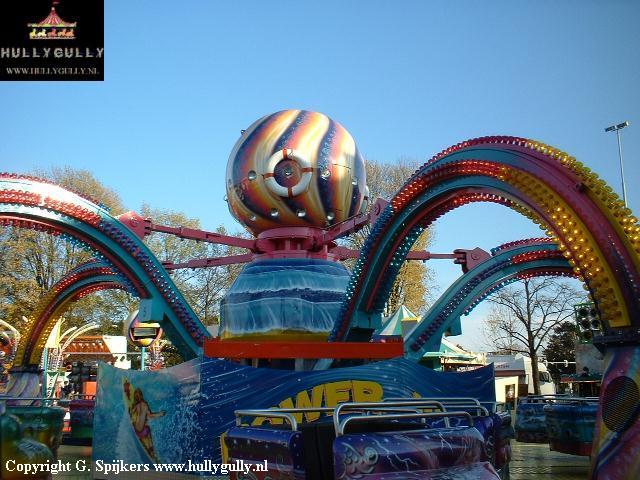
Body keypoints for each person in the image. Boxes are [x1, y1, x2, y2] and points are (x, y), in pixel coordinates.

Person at [131, 388, 165, 462]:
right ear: (142, 395)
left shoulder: (135, 406)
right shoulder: (145, 404)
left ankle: (142, 441)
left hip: (136, 431)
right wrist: (160, 414)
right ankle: (151, 450)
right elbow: (151, 416)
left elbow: (132, 414)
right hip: (142, 432)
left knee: (138, 422)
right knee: (148, 428)